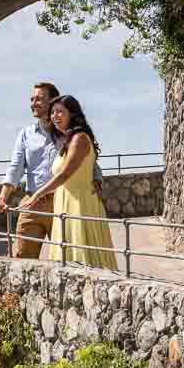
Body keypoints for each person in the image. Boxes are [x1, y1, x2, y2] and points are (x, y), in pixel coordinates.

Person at [0, 83, 104, 258]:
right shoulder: (26, 134)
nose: (33, 103)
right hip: (32, 203)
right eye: (32, 99)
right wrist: (2, 198)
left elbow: (86, 158)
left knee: (66, 258)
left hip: (61, 203)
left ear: (53, 101)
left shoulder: (68, 132)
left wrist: (96, 177)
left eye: (39, 99)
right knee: (21, 258)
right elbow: (15, 168)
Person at [27, 95, 118, 270]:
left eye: (60, 111)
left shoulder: (80, 138)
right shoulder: (67, 140)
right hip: (65, 202)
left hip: (80, 204)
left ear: (73, 114)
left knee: (83, 254)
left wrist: (37, 195)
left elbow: (65, 174)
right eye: (52, 112)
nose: (55, 116)